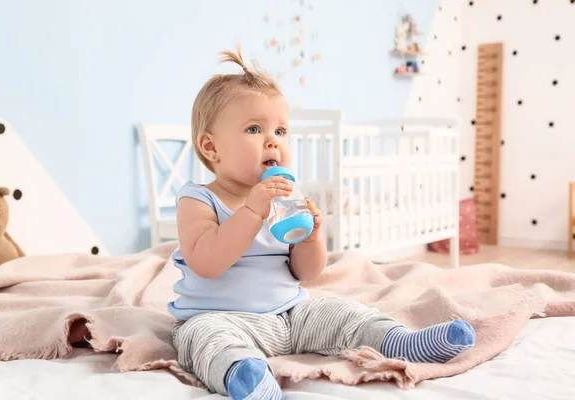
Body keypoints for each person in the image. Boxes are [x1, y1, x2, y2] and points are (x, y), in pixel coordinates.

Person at [169, 46, 475, 400]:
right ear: (211, 147)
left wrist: (312, 237)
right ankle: (246, 378)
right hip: (221, 317)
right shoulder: (198, 199)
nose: (273, 140)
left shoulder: (284, 198)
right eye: (254, 129)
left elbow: (306, 273)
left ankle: (401, 342)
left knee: (341, 311)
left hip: (290, 313)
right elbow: (207, 263)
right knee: (202, 340)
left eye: (281, 131)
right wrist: (251, 213)